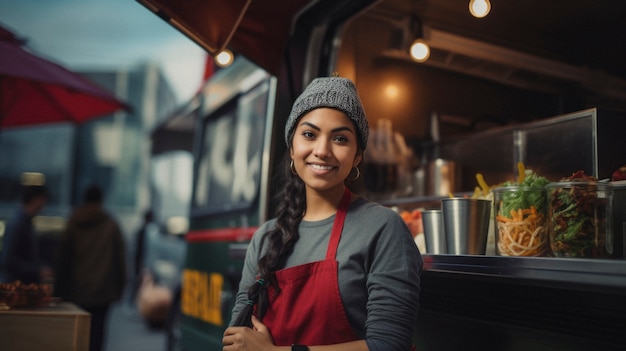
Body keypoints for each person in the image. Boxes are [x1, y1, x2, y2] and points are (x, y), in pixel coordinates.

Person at [223, 77, 423, 351]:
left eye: (340, 138)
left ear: (356, 157)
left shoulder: (383, 228)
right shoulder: (266, 237)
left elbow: (389, 344)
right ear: (292, 147)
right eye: (309, 134)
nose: (322, 150)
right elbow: (238, 339)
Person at [54, 184, 127, 351]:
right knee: (97, 335)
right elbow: (120, 259)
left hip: (76, 290)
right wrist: (121, 287)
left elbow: (63, 258)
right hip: (103, 292)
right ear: (101, 200)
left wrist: (59, 291)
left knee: (77, 334)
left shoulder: (73, 222)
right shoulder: (111, 225)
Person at [0, 185, 53, 284]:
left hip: (19, 286)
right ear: (36, 199)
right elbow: (8, 260)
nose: (44, 204)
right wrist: (38, 270)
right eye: (43, 199)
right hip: (16, 287)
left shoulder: (24, 222)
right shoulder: (19, 223)